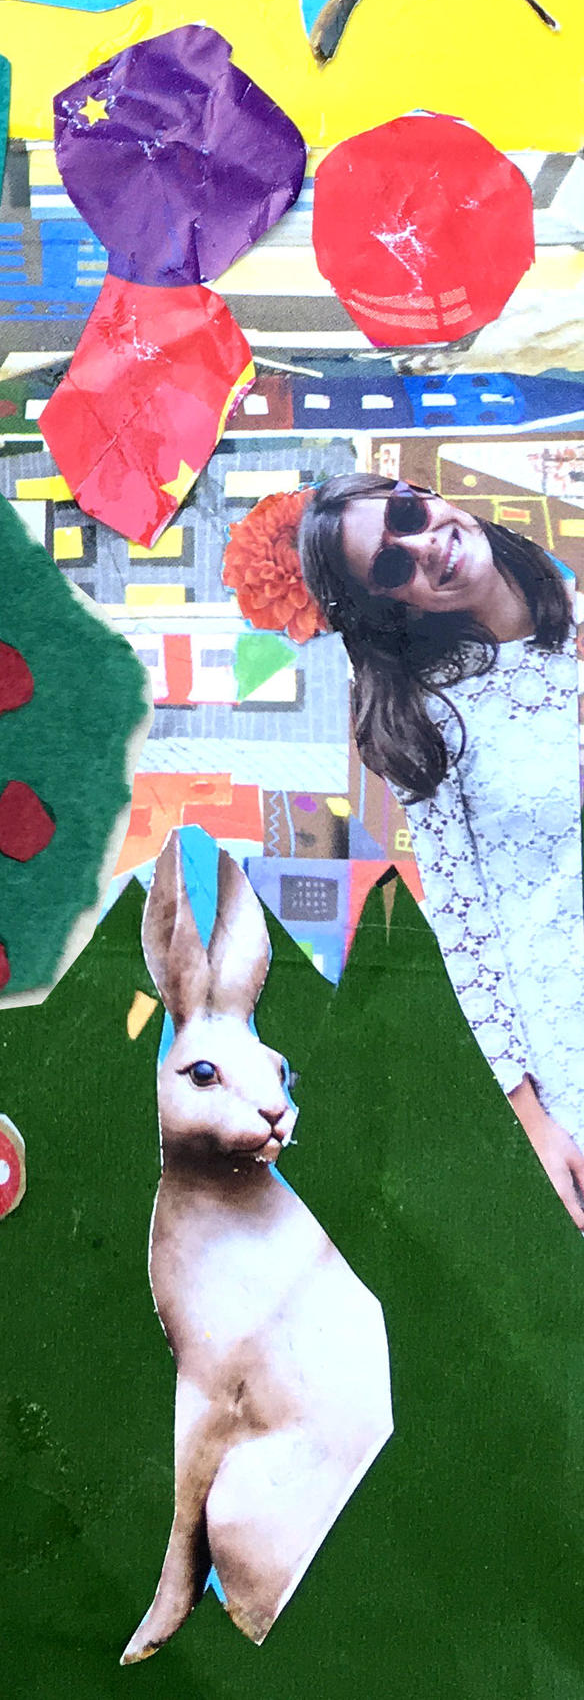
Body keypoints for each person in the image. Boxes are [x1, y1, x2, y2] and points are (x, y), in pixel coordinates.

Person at [293, 474, 584, 1229]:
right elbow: (463, 926)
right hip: (567, 1042)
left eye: (406, 512)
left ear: (424, 492)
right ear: (395, 605)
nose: (424, 544)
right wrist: (532, 1125)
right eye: (392, 565)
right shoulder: (429, 718)